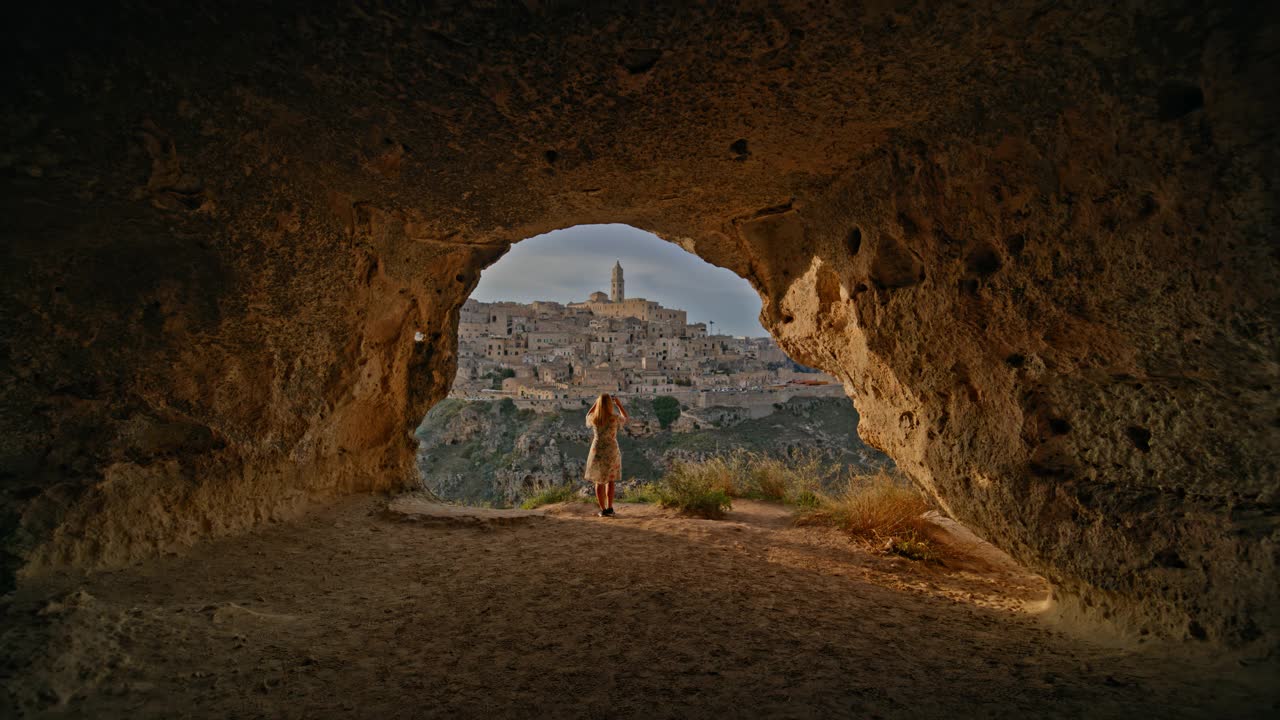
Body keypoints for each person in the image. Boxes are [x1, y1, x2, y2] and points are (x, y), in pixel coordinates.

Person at [585, 392, 628, 517]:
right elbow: (625, 417)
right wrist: (619, 404)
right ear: (610, 404)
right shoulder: (614, 418)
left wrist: (596, 403)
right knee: (611, 480)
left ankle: (603, 510)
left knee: (599, 481)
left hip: (597, 451)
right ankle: (610, 508)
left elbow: (587, 414)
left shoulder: (594, 418)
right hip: (611, 451)